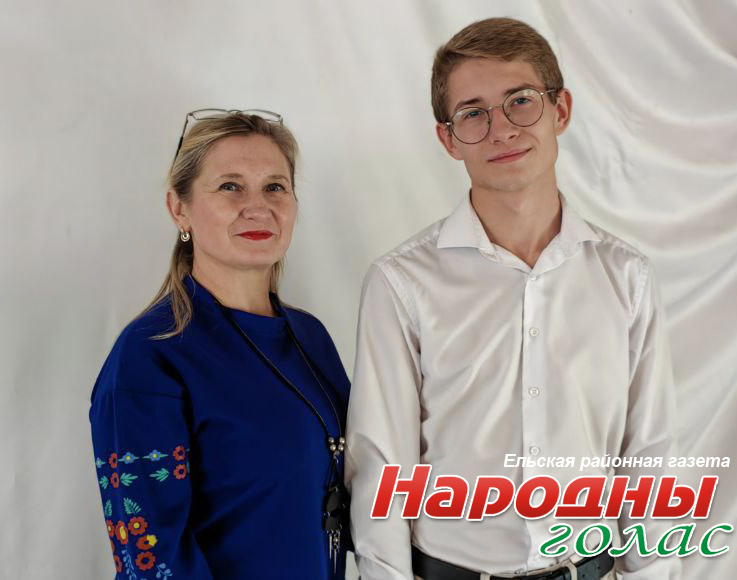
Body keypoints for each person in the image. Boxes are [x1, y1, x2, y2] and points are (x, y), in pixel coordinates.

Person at [346, 18, 679, 580]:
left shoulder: (628, 278)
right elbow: (382, 469)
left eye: (520, 101)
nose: (500, 130)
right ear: (448, 139)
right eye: (472, 113)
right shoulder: (401, 282)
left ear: (560, 110)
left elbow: (649, 459)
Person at [90, 110, 350, 579]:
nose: (258, 207)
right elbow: (151, 560)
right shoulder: (149, 355)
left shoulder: (310, 337)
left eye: (275, 187)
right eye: (231, 186)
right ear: (179, 208)